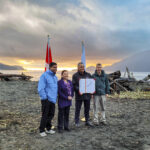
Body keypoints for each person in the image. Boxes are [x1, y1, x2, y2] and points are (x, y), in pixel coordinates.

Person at [38, 62, 58, 137]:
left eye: (56, 67)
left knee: (51, 114)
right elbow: (40, 88)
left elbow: (55, 88)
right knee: (45, 115)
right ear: (50, 68)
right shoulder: (44, 75)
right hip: (46, 99)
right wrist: (44, 98)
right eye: (54, 67)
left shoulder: (55, 77)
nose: (55, 69)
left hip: (53, 99)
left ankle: (48, 128)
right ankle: (41, 130)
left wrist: (55, 98)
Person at [72, 62, 93, 127]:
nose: (82, 68)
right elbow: (74, 85)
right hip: (79, 95)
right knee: (77, 109)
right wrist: (80, 89)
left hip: (87, 95)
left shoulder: (88, 74)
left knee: (87, 109)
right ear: (78, 67)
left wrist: (91, 92)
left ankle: (87, 121)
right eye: (81, 67)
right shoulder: (75, 75)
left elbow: (91, 84)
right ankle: (76, 121)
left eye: (83, 67)